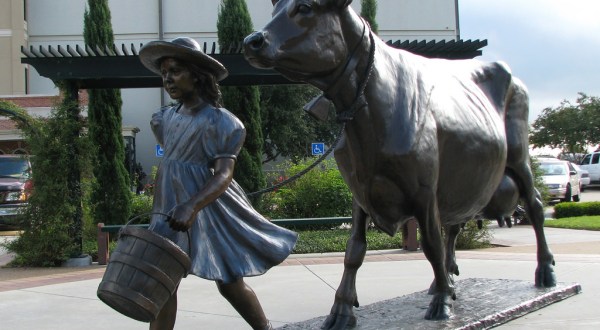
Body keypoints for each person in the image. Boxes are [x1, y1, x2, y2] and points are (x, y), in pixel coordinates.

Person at [139, 37, 298, 330]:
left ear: (197, 75)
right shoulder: (163, 119)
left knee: (228, 281)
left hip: (208, 209)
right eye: (164, 72)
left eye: (175, 70)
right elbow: (176, 161)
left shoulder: (223, 123)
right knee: (163, 280)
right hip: (169, 208)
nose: (168, 78)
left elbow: (224, 174)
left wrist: (192, 205)